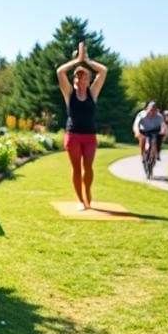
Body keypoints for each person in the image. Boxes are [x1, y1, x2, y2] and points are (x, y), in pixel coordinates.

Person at [56, 41, 107, 211]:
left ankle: (88, 192)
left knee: (89, 168)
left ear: (88, 79)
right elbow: (60, 72)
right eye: (77, 76)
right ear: (74, 79)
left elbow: (103, 71)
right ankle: (80, 199)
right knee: (77, 169)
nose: (80, 79)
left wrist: (87, 60)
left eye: (83, 76)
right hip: (73, 136)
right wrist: (77, 60)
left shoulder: (93, 92)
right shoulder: (69, 93)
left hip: (90, 136)